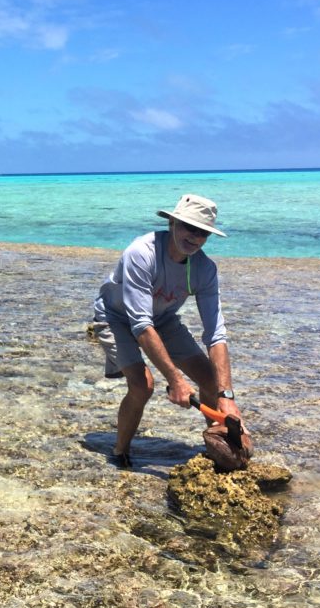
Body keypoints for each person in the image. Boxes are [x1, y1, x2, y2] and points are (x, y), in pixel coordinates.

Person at [92, 193, 246, 468]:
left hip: (162, 318)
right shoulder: (142, 252)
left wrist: (227, 397)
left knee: (211, 381)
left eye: (203, 233)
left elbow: (216, 334)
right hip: (116, 317)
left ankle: (221, 446)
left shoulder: (205, 269)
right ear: (173, 223)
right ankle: (120, 453)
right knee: (143, 385)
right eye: (190, 227)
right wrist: (175, 380)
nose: (195, 237)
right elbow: (140, 324)